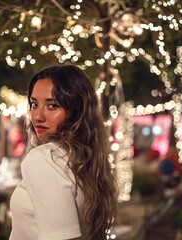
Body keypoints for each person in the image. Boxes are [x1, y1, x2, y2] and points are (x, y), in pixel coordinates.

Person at [9, 65, 117, 240]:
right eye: (34, 104)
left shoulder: (45, 159)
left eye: (52, 106)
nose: (37, 116)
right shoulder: (85, 161)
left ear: (76, 111)